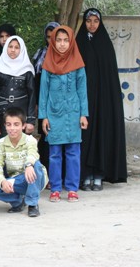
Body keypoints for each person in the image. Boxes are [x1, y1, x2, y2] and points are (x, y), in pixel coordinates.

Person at [76, 8, 127, 190]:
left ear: (100, 22)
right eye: (88, 21)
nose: (92, 24)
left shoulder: (105, 44)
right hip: (83, 100)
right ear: (84, 22)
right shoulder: (78, 44)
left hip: (103, 100)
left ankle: (98, 175)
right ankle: (85, 175)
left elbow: (110, 77)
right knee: (84, 135)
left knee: (101, 133)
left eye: (95, 21)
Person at [39, 26, 89, 203]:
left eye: (66, 40)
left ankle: (72, 188)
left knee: (73, 152)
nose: (62, 44)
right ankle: (55, 188)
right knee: (54, 154)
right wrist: (44, 117)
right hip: (54, 114)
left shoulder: (78, 63)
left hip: (73, 114)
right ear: (53, 42)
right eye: (58, 40)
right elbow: (43, 92)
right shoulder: (48, 63)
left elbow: (82, 90)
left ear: (71, 42)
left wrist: (83, 114)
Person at [0, 108, 47, 217]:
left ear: (23, 126)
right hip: (16, 181)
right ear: (5, 125)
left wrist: (29, 165)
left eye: (16, 124)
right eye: (9, 125)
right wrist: (3, 182)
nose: (12, 128)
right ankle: (18, 201)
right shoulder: (1, 143)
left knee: (36, 164)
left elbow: (33, 154)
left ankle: (32, 204)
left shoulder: (30, 140)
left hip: (35, 179)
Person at [0, 35, 36, 139]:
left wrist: (31, 120)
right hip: (3, 115)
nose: (13, 50)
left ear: (22, 49)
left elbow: (32, 95)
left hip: (22, 116)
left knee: (21, 145)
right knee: (3, 145)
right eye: (10, 46)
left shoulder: (27, 71)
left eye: (16, 47)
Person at [31, 22, 60, 178]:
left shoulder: (67, 56)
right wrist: (36, 103)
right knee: (46, 137)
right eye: (49, 37)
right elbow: (35, 81)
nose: (52, 40)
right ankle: (45, 174)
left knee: (60, 138)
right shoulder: (40, 55)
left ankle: (58, 175)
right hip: (44, 103)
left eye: (55, 36)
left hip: (61, 104)